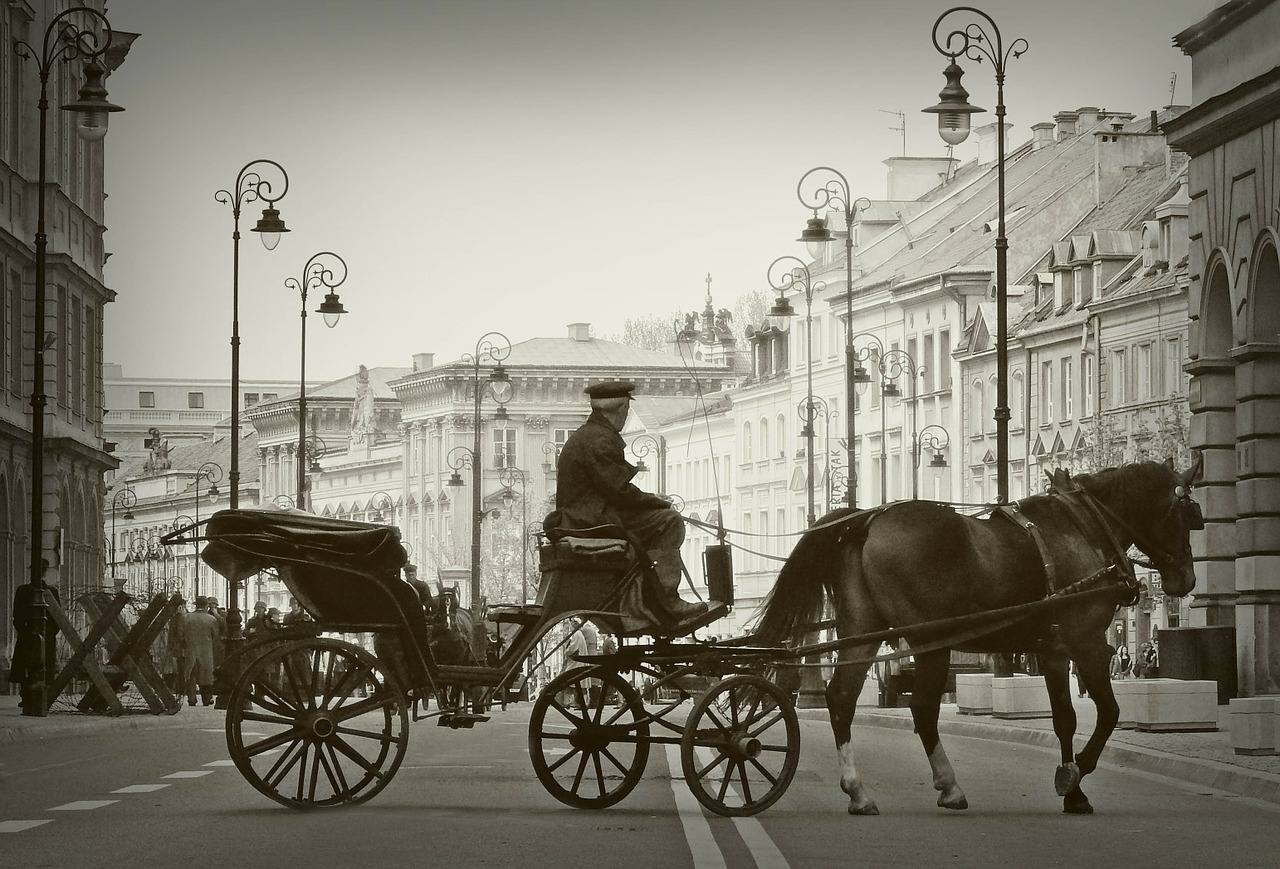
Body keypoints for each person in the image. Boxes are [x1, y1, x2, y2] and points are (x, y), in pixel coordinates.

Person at [543, 380, 727, 635]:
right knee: (669, 520)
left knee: (659, 517)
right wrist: (659, 502)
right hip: (592, 520)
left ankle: (647, 599)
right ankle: (667, 601)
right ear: (620, 410)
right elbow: (619, 493)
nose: (626, 417)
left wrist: (651, 499)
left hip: (585, 516)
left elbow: (612, 489)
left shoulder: (586, 436)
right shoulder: (600, 440)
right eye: (627, 412)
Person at [9, 564, 60, 710]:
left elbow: (57, 617)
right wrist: (24, 632)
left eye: (41, 570)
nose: (38, 573)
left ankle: (43, 696)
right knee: (26, 667)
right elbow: (17, 615)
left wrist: (49, 635)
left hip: (46, 638)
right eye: (35, 570)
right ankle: (25, 696)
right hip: (27, 636)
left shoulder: (51, 592)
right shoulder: (23, 591)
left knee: (45, 668)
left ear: (44, 572)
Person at [181, 596, 221, 706]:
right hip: (206, 650)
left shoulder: (186, 618)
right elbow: (215, 635)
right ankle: (206, 699)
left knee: (191, 675)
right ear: (206, 606)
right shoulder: (211, 619)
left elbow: (182, 635)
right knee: (206, 675)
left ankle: (192, 699)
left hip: (191, 650)